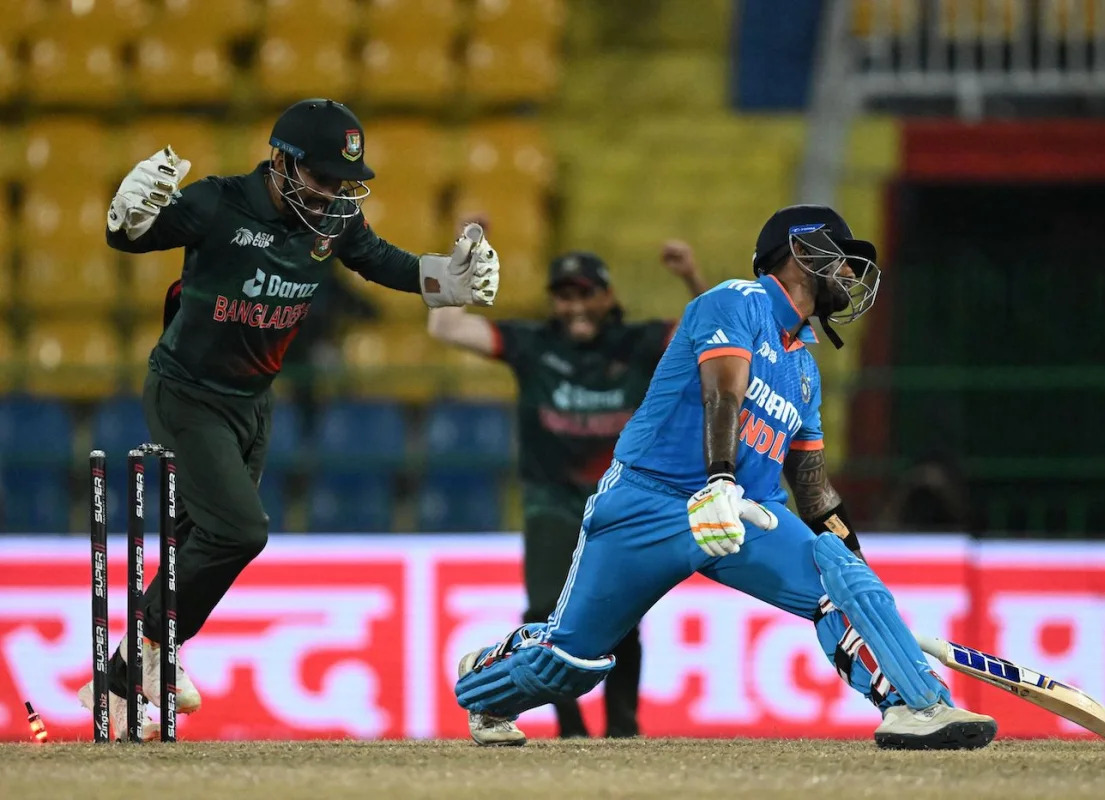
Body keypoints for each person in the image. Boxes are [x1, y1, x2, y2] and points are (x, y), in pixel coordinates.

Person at [452, 205, 999, 750]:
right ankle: (488, 681)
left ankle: (914, 705)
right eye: (844, 260)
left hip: (746, 515)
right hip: (649, 501)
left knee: (839, 577)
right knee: (572, 664)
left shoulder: (804, 370)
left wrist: (864, 585)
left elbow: (813, 491)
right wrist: (719, 481)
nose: (853, 276)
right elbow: (723, 392)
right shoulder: (736, 301)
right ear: (803, 252)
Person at [78, 98, 500, 739]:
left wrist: (452, 280)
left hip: (254, 402)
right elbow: (135, 235)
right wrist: (125, 216)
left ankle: (120, 676)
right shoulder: (220, 201)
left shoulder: (333, 225)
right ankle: (145, 654)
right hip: (188, 395)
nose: (333, 194)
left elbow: (390, 264)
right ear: (282, 161)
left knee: (202, 539)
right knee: (240, 532)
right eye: (322, 178)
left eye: (344, 182)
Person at [428, 241, 707, 738]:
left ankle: (624, 727)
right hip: (552, 498)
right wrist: (464, 258)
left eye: (587, 293)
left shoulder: (638, 343)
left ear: (608, 296)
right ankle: (571, 727)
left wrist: (691, 277)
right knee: (543, 613)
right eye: (564, 295)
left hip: (621, 498)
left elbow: (717, 338)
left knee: (624, 616)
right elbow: (443, 325)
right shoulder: (533, 344)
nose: (576, 305)